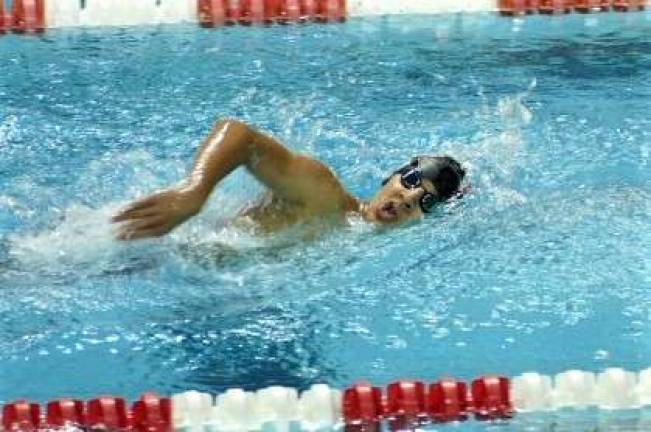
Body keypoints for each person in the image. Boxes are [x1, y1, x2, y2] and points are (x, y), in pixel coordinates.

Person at [112, 119, 466, 240]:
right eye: (411, 180)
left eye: (426, 200)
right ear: (391, 176)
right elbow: (240, 135)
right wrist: (195, 191)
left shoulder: (354, 238)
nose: (408, 197)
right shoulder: (325, 194)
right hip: (147, 241)